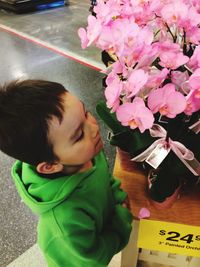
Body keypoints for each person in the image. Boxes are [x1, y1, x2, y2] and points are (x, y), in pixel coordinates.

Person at [0, 79, 132, 267]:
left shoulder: (85, 154)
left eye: (85, 113)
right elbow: (93, 258)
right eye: (79, 135)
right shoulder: (64, 221)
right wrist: (121, 220)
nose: (94, 128)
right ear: (50, 165)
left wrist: (118, 197)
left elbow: (104, 180)